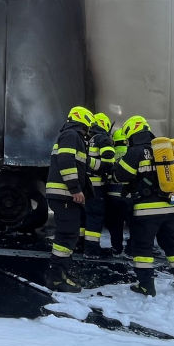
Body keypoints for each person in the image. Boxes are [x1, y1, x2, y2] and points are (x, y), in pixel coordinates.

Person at [114, 115, 174, 297]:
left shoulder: (135, 152)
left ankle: (146, 286)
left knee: (143, 249)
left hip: (146, 211)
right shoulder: (163, 150)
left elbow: (120, 176)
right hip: (171, 208)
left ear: (131, 133)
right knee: (173, 247)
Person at [44, 106, 95, 293]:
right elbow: (66, 161)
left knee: (69, 235)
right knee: (66, 236)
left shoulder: (72, 136)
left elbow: (80, 164)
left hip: (64, 196)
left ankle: (60, 274)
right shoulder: (72, 135)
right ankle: (57, 279)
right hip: (65, 195)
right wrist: (75, 189)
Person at [82, 112, 117, 256]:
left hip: (84, 185)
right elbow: (109, 161)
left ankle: (80, 244)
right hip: (96, 187)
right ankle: (91, 250)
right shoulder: (103, 138)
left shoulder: (86, 139)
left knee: (84, 216)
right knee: (95, 216)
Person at [103, 126, 131, 255]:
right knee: (134, 224)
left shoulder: (111, 153)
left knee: (115, 225)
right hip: (129, 196)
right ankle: (132, 248)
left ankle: (116, 248)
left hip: (113, 196)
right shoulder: (132, 153)